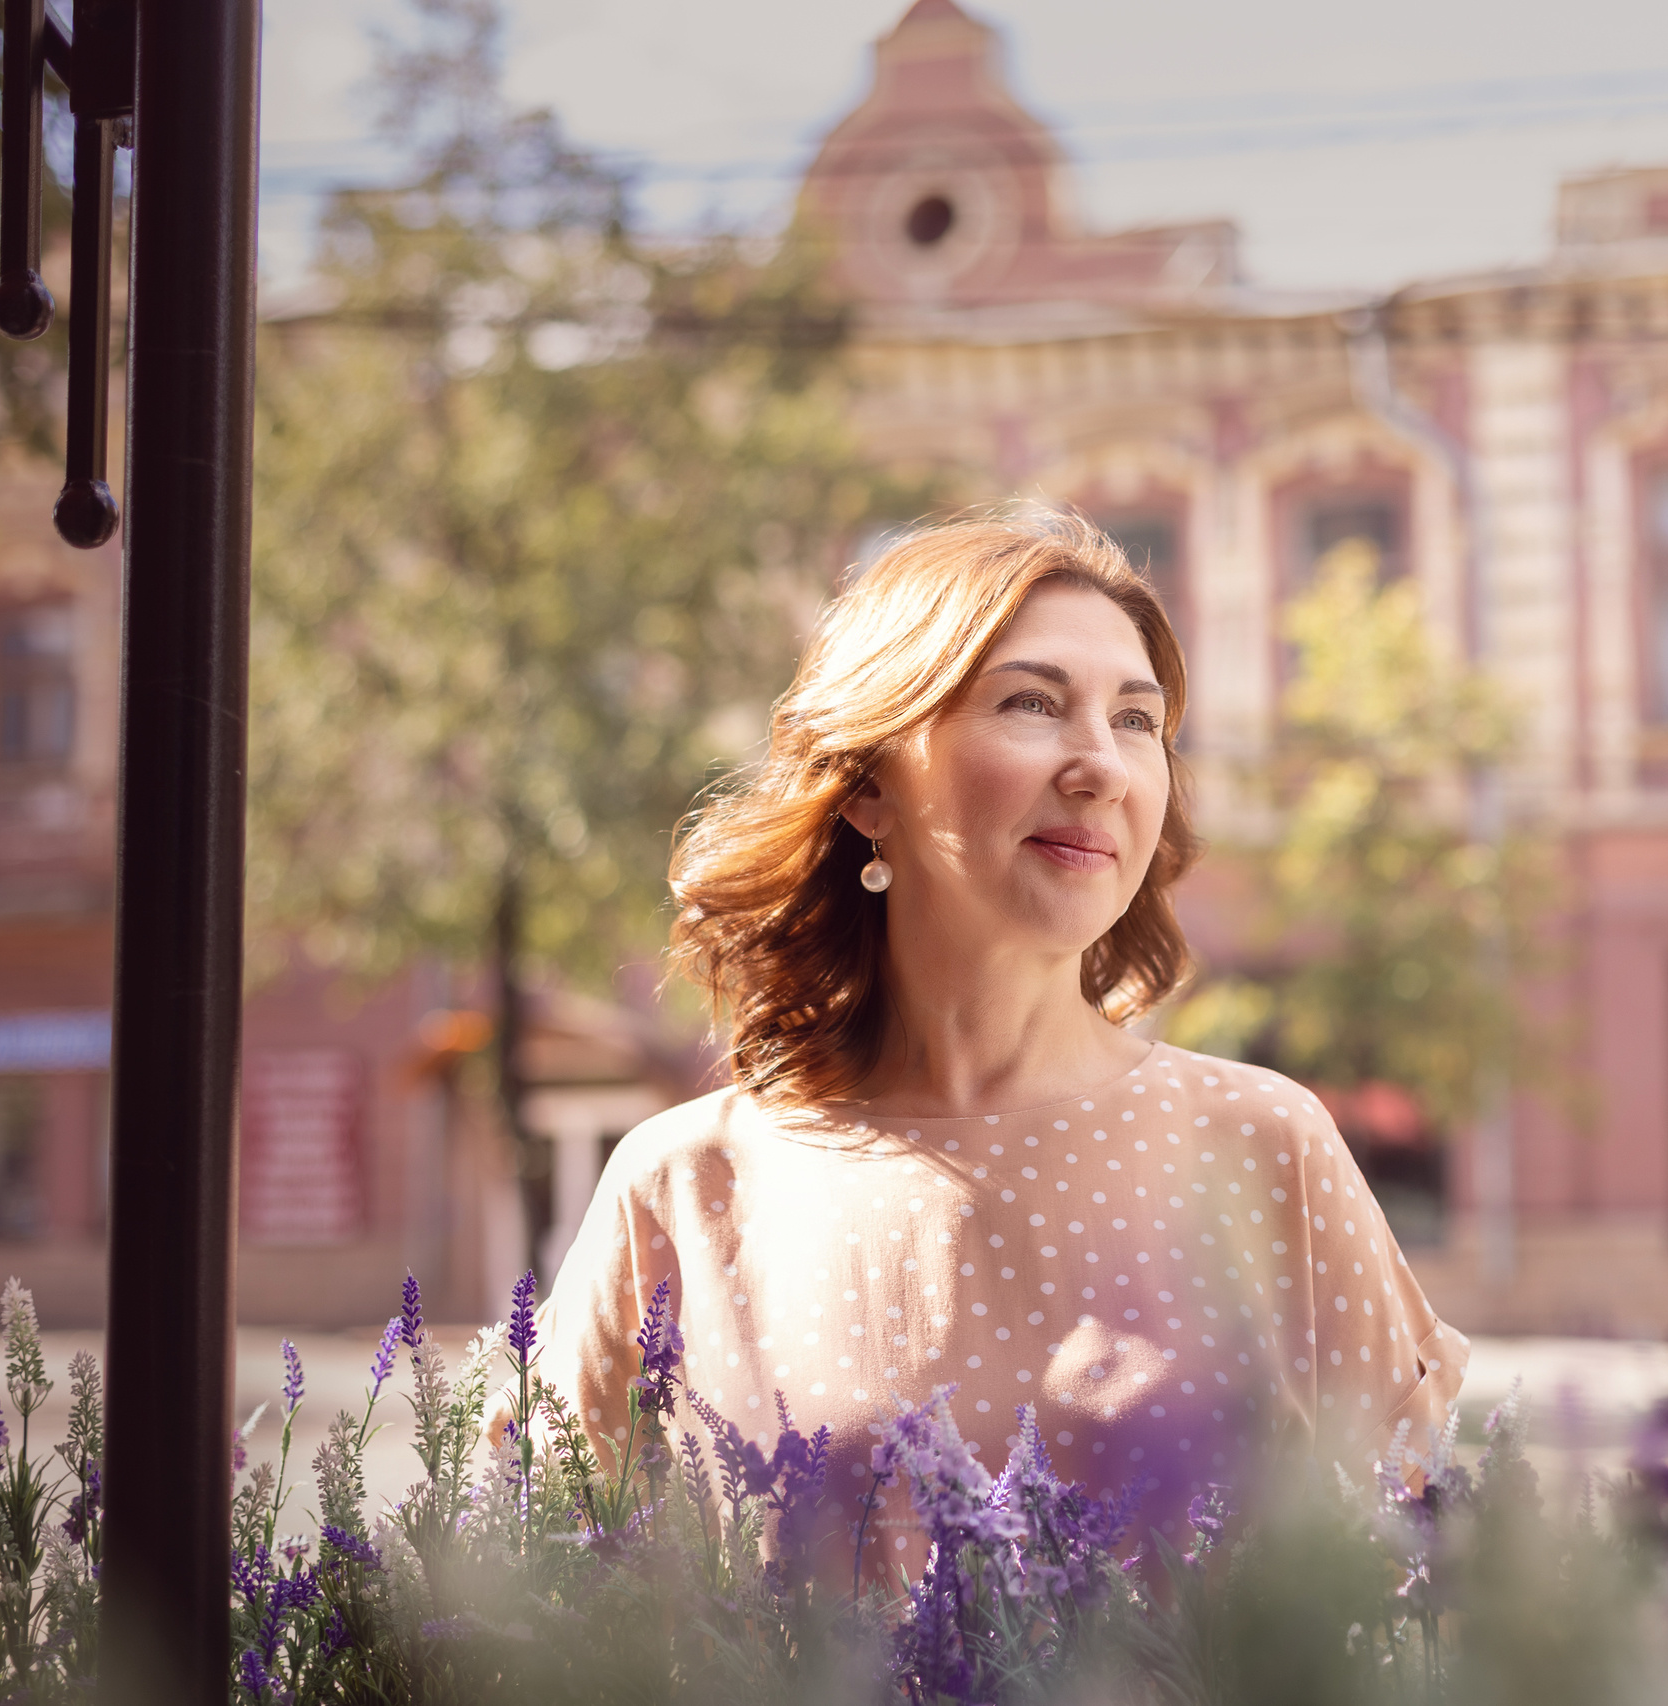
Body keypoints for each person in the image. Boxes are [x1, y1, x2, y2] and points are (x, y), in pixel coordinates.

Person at [530, 515, 1469, 1583]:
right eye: (1032, 703)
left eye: (1136, 719)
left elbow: (1419, 1594)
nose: (1102, 766)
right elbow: (545, 1597)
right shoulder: (682, 1186)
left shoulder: (1265, 1145)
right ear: (869, 782)